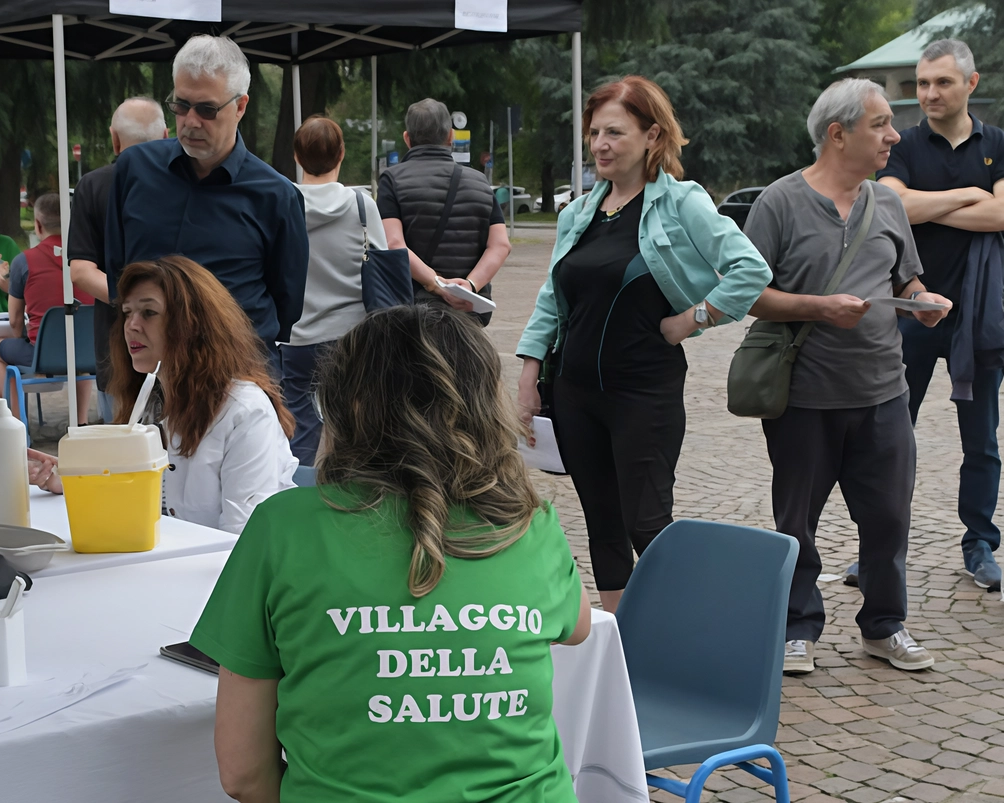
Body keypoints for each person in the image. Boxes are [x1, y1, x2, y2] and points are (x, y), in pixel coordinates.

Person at [189, 304, 591, 803]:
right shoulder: (530, 523)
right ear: (486, 408)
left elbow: (243, 775)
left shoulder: (282, 527)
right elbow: (577, 628)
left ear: (344, 405)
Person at [516, 76, 772, 613]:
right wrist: (528, 371)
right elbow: (551, 294)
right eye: (594, 133)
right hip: (573, 391)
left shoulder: (681, 203)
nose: (600, 145)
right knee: (602, 522)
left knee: (647, 523)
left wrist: (694, 319)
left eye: (615, 132)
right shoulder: (578, 212)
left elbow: (750, 269)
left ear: (652, 135)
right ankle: (621, 641)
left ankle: (669, 635)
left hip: (643, 392)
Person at [743, 78, 952, 675]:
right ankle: (796, 627)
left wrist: (923, 297)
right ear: (838, 134)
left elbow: (904, 280)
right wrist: (818, 307)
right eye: (881, 124)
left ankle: (884, 627)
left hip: (884, 391)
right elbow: (748, 295)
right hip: (804, 396)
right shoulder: (778, 203)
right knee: (797, 520)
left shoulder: (886, 204)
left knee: (889, 516)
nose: (894, 135)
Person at [31, 256, 297, 535]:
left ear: (192, 324)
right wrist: (70, 478)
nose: (131, 325)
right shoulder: (148, 402)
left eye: (148, 313)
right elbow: (128, 492)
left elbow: (243, 538)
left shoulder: (244, 411)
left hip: (220, 572)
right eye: (127, 313)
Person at [876, 39, 1004, 593]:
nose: (928, 93)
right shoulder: (901, 144)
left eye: (942, 83)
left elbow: (1002, 216)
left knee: (982, 442)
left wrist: (932, 202)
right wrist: (971, 195)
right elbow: (891, 206)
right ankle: (880, 548)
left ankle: (979, 545)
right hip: (912, 310)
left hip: (979, 319)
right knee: (889, 436)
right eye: (922, 83)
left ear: (970, 85)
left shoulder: (998, 142)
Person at [104, 35, 309, 376]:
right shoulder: (134, 168)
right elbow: (118, 269)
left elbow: (287, 303)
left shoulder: (276, 195)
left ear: (240, 106)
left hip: (236, 373)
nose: (191, 121)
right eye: (181, 106)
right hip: (150, 374)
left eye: (207, 109)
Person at [281, 115, 387, 465]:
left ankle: (302, 493)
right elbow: (382, 265)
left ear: (296, 156)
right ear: (341, 154)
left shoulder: (282, 205)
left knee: (299, 428)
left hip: (297, 336)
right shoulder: (361, 206)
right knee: (353, 424)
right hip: (352, 335)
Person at [69, 97, 169, 424]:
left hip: (118, 342)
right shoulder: (188, 184)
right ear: (167, 135)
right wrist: (153, 305)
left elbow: (81, 272)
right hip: (177, 337)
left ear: (114, 138)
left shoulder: (94, 185)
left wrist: (130, 306)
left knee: (124, 459)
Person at [378, 98, 511, 325]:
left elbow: (394, 244)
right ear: (450, 136)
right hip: (467, 314)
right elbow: (501, 245)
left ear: (407, 139)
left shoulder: (392, 180)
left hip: (416, 315)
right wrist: (469, 286)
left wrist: (436, 283)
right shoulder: (480, 182)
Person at [0, 193, 96, 424]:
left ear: (37, 225)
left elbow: (16, 321)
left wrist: (21, 338)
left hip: (44, 355)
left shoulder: (24, 261)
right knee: (80, 353)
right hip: (90, 352)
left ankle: (16, 423)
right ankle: (82, 422)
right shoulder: (90, 259)